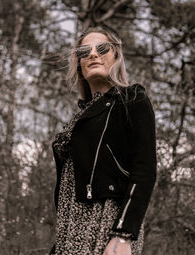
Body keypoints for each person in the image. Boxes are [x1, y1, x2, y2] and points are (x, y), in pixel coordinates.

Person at [50, 27, 157, 255]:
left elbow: (145, 169)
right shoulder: (80, 115)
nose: (93, 54)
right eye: (84, 51)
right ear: (79, 63)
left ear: (116, 55)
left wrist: (123, 234)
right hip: (69, 227)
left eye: (102, 48)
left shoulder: (132, 98)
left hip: (106, 221)